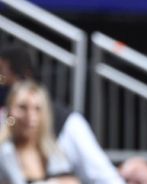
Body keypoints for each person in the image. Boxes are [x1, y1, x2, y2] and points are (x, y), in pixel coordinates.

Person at [0, 45, 124, 184]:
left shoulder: (67, 126)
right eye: (22, 108)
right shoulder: (5, 141)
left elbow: (106, 178)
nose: (30, 117)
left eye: (2, 75)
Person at [0, 81, 79, 184]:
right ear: (10, 111)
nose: (30, 116)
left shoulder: (52, 150)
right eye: (23, 107)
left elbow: (71, 181)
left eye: (37, 109)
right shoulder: (4, 152)